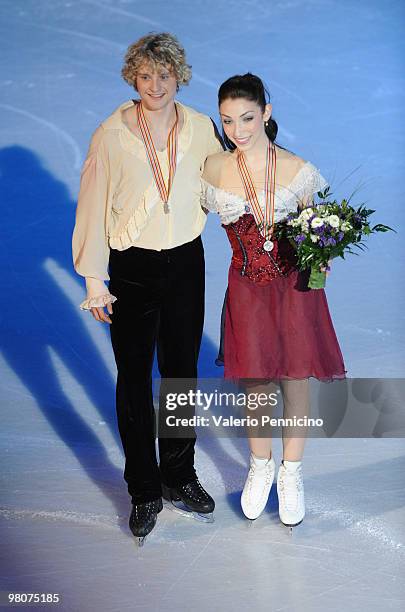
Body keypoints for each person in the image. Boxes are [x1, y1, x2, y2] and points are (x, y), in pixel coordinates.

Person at [72, 32, 223, 545]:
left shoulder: (201, 127)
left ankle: (179, 474)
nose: (155, 85)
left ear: (178, 76)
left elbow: (227, 179)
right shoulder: (111, 134)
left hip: (185, 262)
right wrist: (96, 280)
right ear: (132, 79)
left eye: (164, 75)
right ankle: (143, 490)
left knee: (180, 372)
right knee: (134, 378)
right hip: (132, 266)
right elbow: (92, 205)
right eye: (145, 76)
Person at [202, 73, 345, 529]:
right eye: (227, 121)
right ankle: (261, 463)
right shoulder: (213, 169)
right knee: (255, 379)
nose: (238, 130)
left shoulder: (299, 171)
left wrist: (324, 260)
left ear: (266, 112)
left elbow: (319, 234)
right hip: (245, 285)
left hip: (294, 287)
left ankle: (292, 471)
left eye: (246, 117)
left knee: (293, 376)